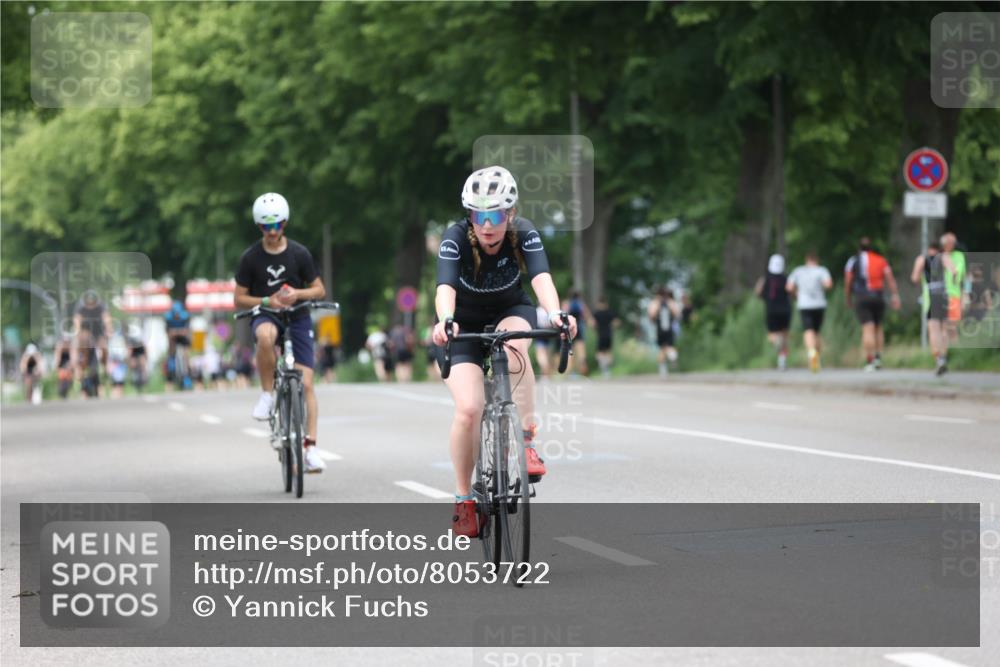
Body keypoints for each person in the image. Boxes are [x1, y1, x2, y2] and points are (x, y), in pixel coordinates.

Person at [431, 166, 577, 537]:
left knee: (513, 347)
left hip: (510, 311)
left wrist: (557, 313)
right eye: (479, 216)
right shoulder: (455, 237)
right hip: (462, 323)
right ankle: (464, 499)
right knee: (468, 409)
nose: (487, 225)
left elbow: (541, 278)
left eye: (495, 215)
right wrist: (445, 319)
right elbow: (444, 287)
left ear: (510, 213)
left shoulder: (523, 233)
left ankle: (526, 442)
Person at [235, 192, 328, 473]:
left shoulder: (299, 254)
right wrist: (266, 301)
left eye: (276, 225)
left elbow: (319, 289)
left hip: (298, 315)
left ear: (284, 223)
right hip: (267, 313)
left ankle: (310, 447)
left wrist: (296, 293)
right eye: (266, 226)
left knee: (307, 384)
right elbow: (239, 298)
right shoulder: (251, 258)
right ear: (259, 227)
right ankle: (267, 394)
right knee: (264, 336)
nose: (272, 232)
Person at [844, 237, 901, 371]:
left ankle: (869, 360)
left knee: (867, 328)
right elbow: (890, 279)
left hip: (862, 297)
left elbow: (848, 281)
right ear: (871, 248)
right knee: (878, 327)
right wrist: (895, 295)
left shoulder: (853, 261)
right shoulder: (881, 260)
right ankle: (878, 358)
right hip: (878, 297)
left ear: (859, 248)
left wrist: (848, 298)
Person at [911, 242, 957, 376]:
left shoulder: (922, 258)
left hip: (930, 294)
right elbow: (954, 271)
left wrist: (919, 281)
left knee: (933, 329)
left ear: (928, 248)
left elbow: (914, 277)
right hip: (943, 294)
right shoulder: (943, 257)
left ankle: (938, 358)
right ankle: (944, 356)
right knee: (944, 328)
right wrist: (953, 282)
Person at [786, 251, 833, 372]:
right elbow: (828, 284)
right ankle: (817, 356)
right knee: (816, 332)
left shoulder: (798, 271)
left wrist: (796, 294)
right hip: (819, 304)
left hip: (804, 304)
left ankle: (812, 353)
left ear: (806, 259)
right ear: (817, 260)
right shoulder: (821, 270)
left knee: (808, 330)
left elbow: (789, 287)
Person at [755, 255, 791, 371]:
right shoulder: (786, 278)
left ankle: (777, 343)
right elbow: (792, 291)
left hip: (771, 309)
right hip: (785, 310)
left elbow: (758, 292)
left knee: (772, 334)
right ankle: (782, 360)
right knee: (784, 336)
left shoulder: (766, 278)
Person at [71, 289, 112, 385]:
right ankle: (78, 366)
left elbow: (107, 318)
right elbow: (77, 319)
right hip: (85, 329)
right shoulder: (81, 307)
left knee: (104, 347)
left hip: (98, 331)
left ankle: (105, 365)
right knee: (77, 345)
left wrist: (109, 329)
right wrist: (77, 331)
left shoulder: (101, 306)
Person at [940, 232, 967, 343]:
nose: (953, 244)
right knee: (943, 325)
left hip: (955, 294)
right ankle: (943, 353)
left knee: (953, 325)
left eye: (954, 242)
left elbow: (964, 276)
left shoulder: (959, 256)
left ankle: (954, 349)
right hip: (941, 294)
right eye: (951, 242)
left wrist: (966, 294)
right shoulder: (939, 257)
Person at [648, 287, 680, 377]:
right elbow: (677, 314)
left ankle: (663, 369)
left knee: (662, 348)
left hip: (660, 329)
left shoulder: (655, 303)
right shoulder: (670, 302)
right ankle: (672, 356)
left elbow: (651, 316)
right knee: (669, 346)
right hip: (669, 328)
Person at [562, 291, 593, 376]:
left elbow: (563, 315)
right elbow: (586, 316)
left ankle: (571, 372)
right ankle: (583, 369)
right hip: (579, 328)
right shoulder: (581, 304)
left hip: (570, 329)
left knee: (571, 351)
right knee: (581, 351)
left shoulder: (567, 303)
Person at [164, 300, 192, 389]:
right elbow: (167, 331)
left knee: (186, 354)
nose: (177, 316)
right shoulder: (168, 317)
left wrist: (181, 332)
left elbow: (187, 330)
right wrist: (173, 333)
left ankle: (187, 372)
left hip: (182, 337)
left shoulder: (185, 316)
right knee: (171, 346)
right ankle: (171, 363)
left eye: (178, 314)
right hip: (173, 337)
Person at [592, 296, 620, 378]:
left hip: (600, 335)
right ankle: (607, 368)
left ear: (599, 303)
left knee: (599, 353)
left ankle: (604, 368)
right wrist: (612, 327)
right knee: (608, 352)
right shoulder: (610, 312)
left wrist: (596, 328)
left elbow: (592, 324)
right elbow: (617, 322)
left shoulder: (596, 313)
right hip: (608, 334)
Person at [533, 305, 553, 379]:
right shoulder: (549, 310)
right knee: (547, 353)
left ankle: (545, 369)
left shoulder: (538, 310)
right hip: (548, 332)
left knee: (540, 354)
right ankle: (545, 374)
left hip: (539, 332)